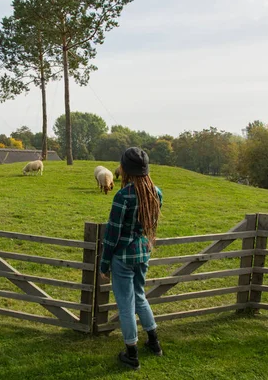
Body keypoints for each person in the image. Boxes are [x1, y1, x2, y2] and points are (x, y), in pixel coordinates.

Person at [99, 147, 163, 370]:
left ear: (124, 169)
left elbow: (112, 233)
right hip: (143, 251)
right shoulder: (156, 192)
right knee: (140, 295)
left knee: (126, 305)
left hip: (123, 256)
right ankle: (154, 343)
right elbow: (149, 226)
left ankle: (131, 354)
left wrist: (104, 264)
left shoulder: (122, 195)